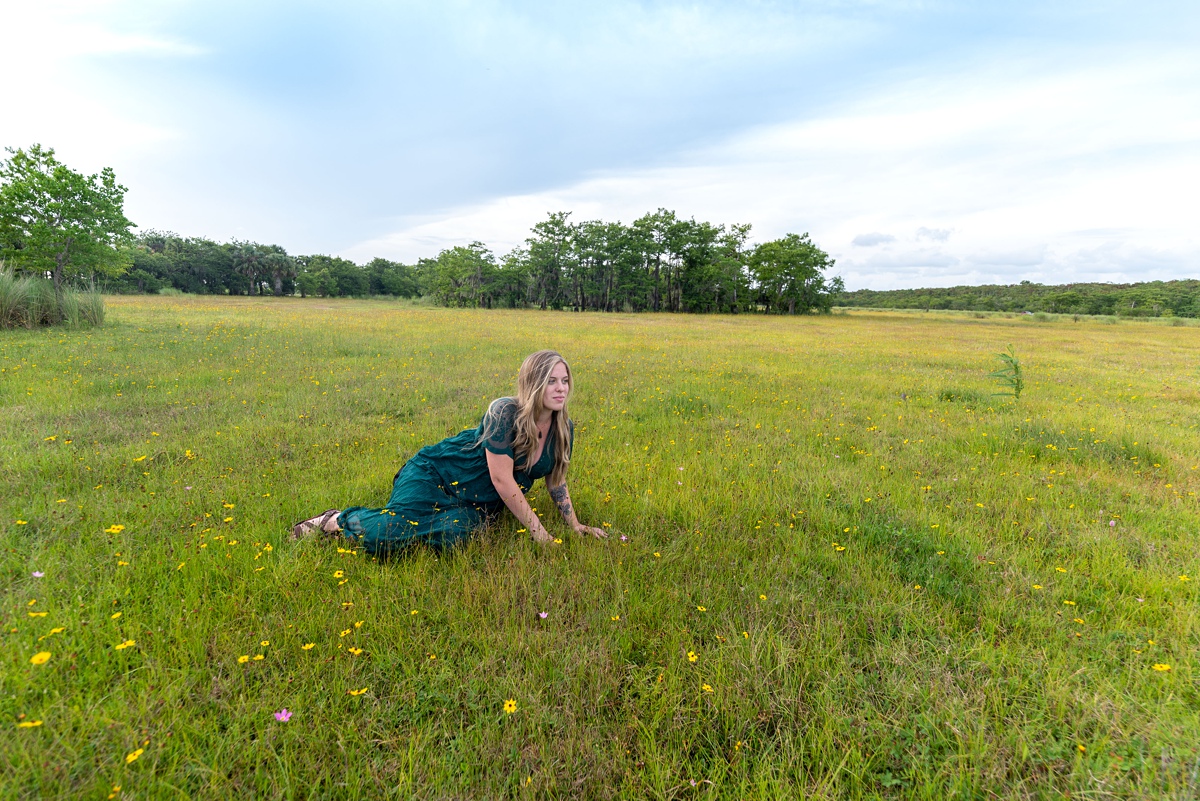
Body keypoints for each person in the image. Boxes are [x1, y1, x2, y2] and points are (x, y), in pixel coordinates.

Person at [292, 349, 607, 554]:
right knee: (387, 534)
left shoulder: (563, 428)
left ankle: (430, 523)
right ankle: (337, 520)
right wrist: (540, 533)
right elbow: (502, 480)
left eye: (565, 380)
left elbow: (556, 479)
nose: (561, 388)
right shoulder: (503, 412)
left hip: (474, 503)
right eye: (551, 381)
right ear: (533, 384)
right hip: (436, 474)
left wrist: (574, 525)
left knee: (455, 538)